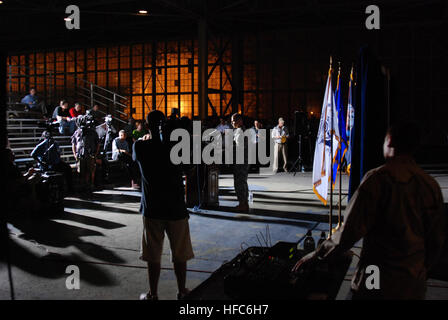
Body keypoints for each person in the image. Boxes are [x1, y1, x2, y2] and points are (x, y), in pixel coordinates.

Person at [292, 122, 447, 300]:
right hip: (412, 283)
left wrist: (317, 254)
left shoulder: (377, 180)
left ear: (389, 141)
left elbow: (348, 232)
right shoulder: (430, 185)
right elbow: (437, 240)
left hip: (377, 281)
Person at [133, 110, 194, 301]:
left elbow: (136, 157)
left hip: (152, 208)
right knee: (180, 253)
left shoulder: (140, 147)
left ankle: (153, 293)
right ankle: (182, 290)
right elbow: (189, 167)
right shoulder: (176, 148)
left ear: (147, 125)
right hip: (175, 207)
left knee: (153, 254)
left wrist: (147, 139)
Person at [71, 115, 100, 192]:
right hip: (80, 155)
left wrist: (95, 155)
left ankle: (91, 185)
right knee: (81, 171)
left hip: (90, 155)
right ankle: (82, 186)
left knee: (90, 171)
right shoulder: (77, 132)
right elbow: (74, 143)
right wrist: (75, 154)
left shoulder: (93, 132)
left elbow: (97, 144)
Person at [231, 113, 250, 213]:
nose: (232, 123)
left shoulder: (239, 131)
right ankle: (244, 203)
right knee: (243, 181)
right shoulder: (243, 130)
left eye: (233, 121)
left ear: (239, 121)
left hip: (240, 160)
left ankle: (242, 204)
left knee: (239, 182)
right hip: (244, 159)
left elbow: (239, 147)